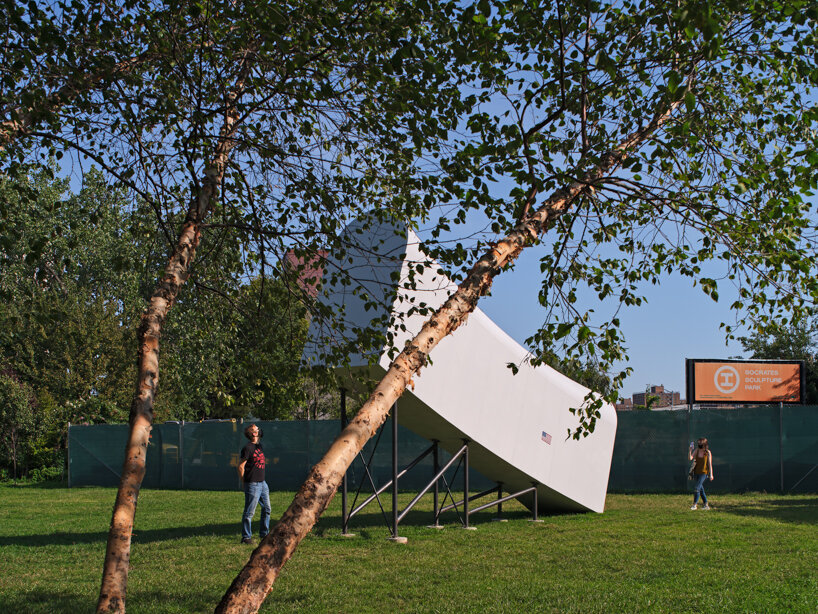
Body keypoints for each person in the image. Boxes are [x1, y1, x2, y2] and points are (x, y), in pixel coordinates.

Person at [237, 423, 271, 544]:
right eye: (257, 429)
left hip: (263, 483)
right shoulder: (247, 448)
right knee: (249, 512)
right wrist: (244, 483)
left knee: (267, 509)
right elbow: (241, 467)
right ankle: (246, 537)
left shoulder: (259, 446)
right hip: (252, 484)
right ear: (254, 433)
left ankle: (264, 534)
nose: (259, 430)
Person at [688, 437, 714, 510]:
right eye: (698, 443)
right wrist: (690, 450)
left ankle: (694, 505)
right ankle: (706, 505)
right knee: (701, 489)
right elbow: (690, 458)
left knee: (697, 488)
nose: (699, 444)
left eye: (701, 443)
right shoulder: (696, 450)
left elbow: (710, 464)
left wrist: (711, 474)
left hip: (704, 473)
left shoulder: (708, 452)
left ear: (704, 444)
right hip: (696, 472)